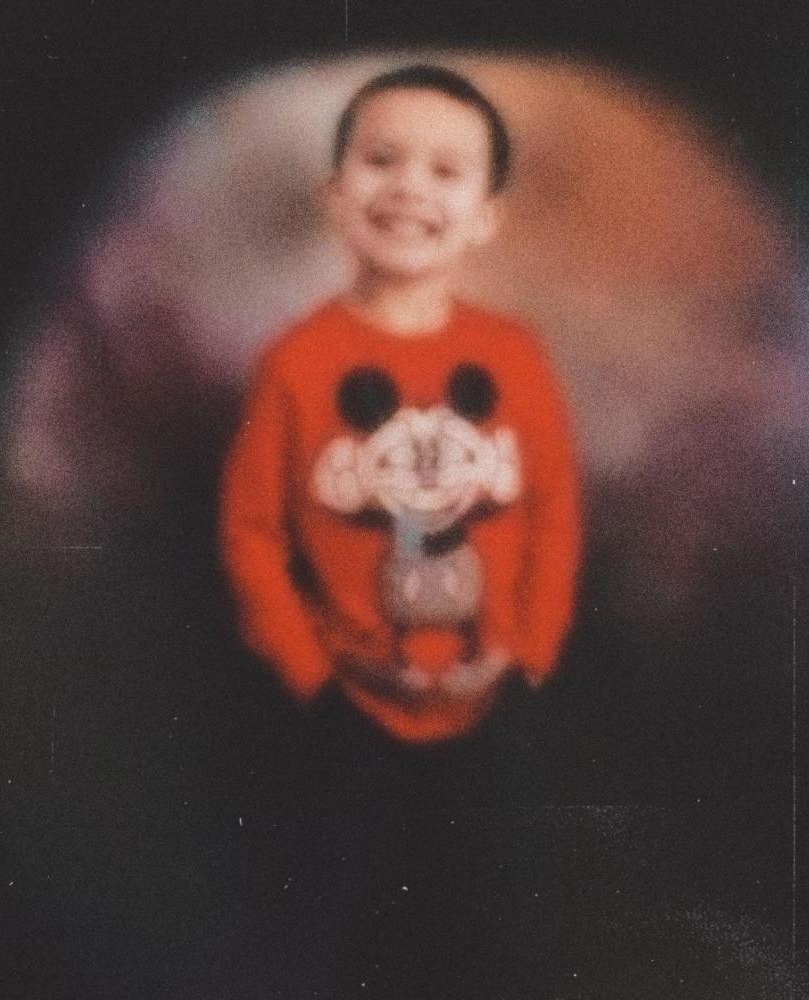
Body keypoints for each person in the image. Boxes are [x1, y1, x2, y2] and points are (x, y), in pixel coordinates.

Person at [219, 64, 583, 743]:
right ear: (335, 195)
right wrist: (309, 676)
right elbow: (251, 534)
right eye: (382, 160)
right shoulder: (294, 363)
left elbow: (553, 515)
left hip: (499, 703)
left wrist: (532, 659)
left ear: (485, 219)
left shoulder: (516, 357)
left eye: (445, 171)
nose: (410, 187)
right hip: (339, 708)